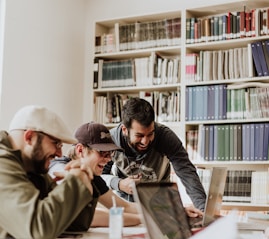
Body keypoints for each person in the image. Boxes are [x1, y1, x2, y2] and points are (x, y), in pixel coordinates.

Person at [0, 105, 95, 239]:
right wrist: (76, 182)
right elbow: (38, 230)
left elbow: (77, 224)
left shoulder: (33, 167)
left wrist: (84, 179)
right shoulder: (2, 163)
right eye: (55, 143)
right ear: (29, 137)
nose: (60, 153)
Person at [102, 97, 207, 211]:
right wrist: (119, 184)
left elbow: (187, 173)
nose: (145, 141)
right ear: (124, 130)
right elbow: (99, 176)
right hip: (125, 206)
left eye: (150, 134)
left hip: (160, 206)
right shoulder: (111, 140)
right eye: (139, 136)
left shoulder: (165, 137)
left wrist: (203, 211)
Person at [49, 122, 141, 227]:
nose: (108, 159)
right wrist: (141, 219)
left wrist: (156, 211)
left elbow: (124, 206)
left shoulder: (91, 175)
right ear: (80, 150)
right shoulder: (59, 168)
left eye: (110, 153)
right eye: (102, 152)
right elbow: (85, 216)